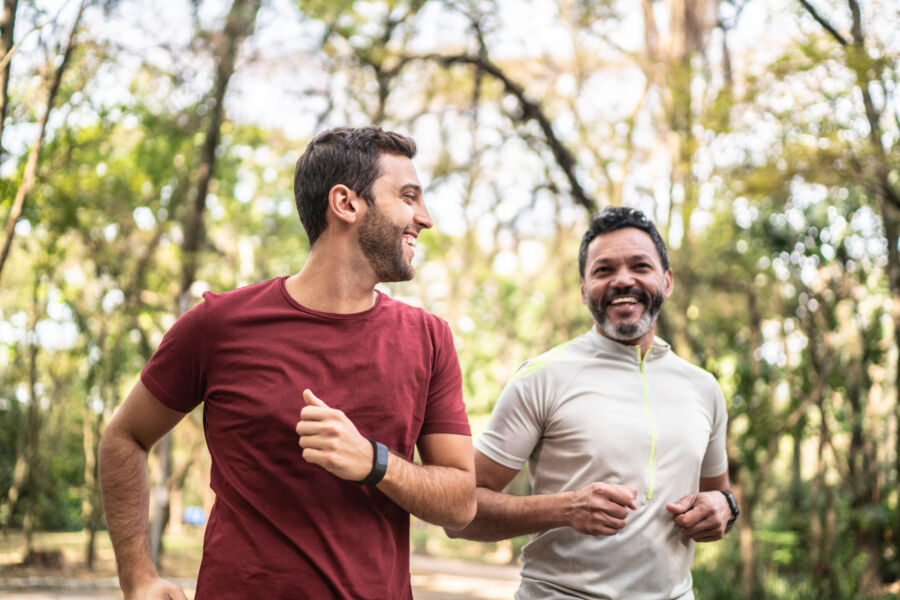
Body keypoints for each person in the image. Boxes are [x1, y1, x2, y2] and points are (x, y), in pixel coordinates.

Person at [99, 126, 476, 600]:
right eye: (408, 196)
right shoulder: (219, 324)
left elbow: (460, 502)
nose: (425, 218)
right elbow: (125, 437)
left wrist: (374, 462)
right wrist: (137, 577)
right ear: (346, 204)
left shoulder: (429, 339)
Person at [447, 206, 738, 599]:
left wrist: (725, 508)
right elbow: (459, 514)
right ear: (583, 289)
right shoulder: (541, 377)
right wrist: (565, 509)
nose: (623, 280)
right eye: (603, 270)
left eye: (640, 266)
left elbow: (720, 494)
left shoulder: (703, 388)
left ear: (666, 281)